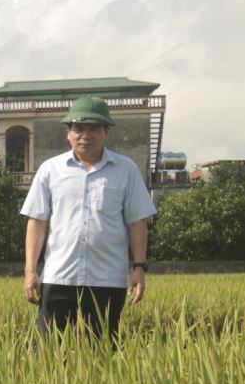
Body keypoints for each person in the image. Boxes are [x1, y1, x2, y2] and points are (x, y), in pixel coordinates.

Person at [21, 95, 155, 342]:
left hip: (107, 280)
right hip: (59, 277)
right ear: (68, 132)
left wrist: (139, 267)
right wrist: (30, 270)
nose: (86, 135)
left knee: (103, 352)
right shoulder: (50, 170)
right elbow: (37, 221)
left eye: (94, 128)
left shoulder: (126, 170)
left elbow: (137, 222)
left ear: (106, 131)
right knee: (49, 353)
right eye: (79, 128)